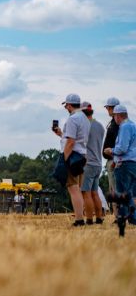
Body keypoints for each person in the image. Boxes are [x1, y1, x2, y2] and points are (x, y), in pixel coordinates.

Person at [53, 94, 90, 226]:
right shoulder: (84, 118)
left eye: (66, 105)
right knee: (78, 188)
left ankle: (79, 219)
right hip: (82, 155)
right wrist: (61, 135)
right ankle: (81, 217)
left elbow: (71, 142)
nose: (65, 108)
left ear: (69, 105)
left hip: (73, 156)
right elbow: (76, 139)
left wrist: (64, 159)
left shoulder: (73, 119)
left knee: (73, 188)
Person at [104, 105, 136, 224]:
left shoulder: (124, 127)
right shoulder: (133, 125)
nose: (114, 119)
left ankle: (131, 218)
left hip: (125, 164)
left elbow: (122, 148)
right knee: (132, 193)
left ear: (118, 116)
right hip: (134, 163)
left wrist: (111, 151)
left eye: (114, 116)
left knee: (123, 193)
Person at [80, 102, 105, 224]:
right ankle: (99, 218)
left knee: (86, 193)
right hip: (98, 163)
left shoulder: (85, 126)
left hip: (88, 163)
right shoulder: (100, 126)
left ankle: (89, 219)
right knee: (95, 193)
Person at [103, 97, 121, 193]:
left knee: (115, 193)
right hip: (115, 160)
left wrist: (115, 159)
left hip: (114, 161)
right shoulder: (118, 123)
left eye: (108, 108)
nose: (107, 110)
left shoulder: (116, 124)